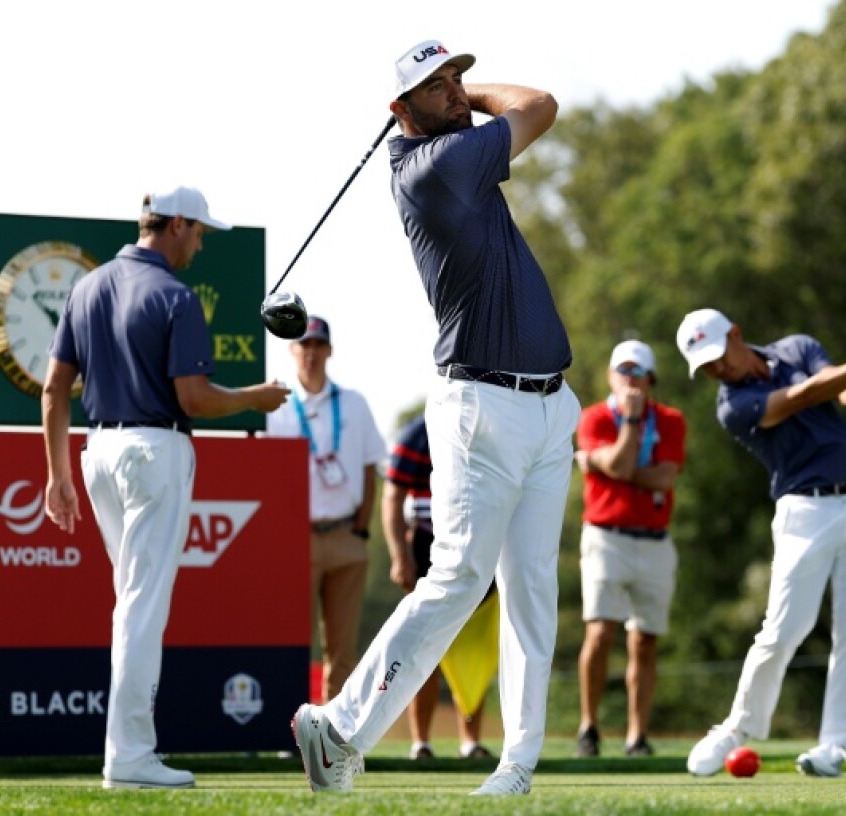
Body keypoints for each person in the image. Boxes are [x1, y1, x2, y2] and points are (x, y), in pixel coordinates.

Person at [290, 40, 579, 797]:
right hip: (482, 406)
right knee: (457, 576)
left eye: (455, 76)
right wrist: (477, 93)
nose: (452, 92)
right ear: (399, 110)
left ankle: (516, 766)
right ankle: (340, 728)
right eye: (434, 85)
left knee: (532, 590)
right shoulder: (435, 168)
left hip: (550, 405)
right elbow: (540, 104)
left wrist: (451, 93)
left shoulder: (456, 154)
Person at [41, 187, 290, 789]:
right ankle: (129, 757)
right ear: (175, 223)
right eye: (199, 232)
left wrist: (58, 477)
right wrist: (254, 399)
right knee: (141, 609)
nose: (200, 245)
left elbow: (53, 391)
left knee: (132, 603)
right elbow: (194, 399)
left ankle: (127, 751)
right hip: (154, 451)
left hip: (97, 452)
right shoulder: (174, 296)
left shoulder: (86, 287)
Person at [675, 307, 846, 779]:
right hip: (805, 512)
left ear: (737, 334)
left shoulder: (798, 347)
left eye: (719, 357)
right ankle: (736, 728)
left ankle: (836, 746)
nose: (719, 371)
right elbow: (801, 396)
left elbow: (840, 391)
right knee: (784, 629)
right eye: (707, 369)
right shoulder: (732, 406)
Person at [573, 340, 686, 758]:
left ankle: (637, 735)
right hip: (606, 537)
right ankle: (589, 726)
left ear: (651, 379)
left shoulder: (671, 420)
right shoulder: (595, 416)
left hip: (655, 541)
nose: (630, 380)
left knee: (644, 641)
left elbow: (663, 479)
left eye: (638, 373)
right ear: (610, 376)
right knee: (600, 632)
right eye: (623, 371)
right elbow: (626, 466)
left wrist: (600, 464)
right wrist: (631, 425)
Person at [266, 316, 386, 701]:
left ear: (329, 350)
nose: (312, 353)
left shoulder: (354, 402)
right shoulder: (276, 405)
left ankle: (335, 729)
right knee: (291, 641)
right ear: (292, 350)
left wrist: (362, 526)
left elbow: (371, 467)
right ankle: (289, 725)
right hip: (293, 537)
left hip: (344, 533)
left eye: (319, 345)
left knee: (342, 647)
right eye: (305, 345)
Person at [381, 414, 494, 761]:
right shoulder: (421, 428)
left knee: (472, 646)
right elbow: (393, 495)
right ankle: (421, 743)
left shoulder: (489, 423)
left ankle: (470, 741)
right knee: (423, 646)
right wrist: (400, 555)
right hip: (427, 544)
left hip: (479, 543)